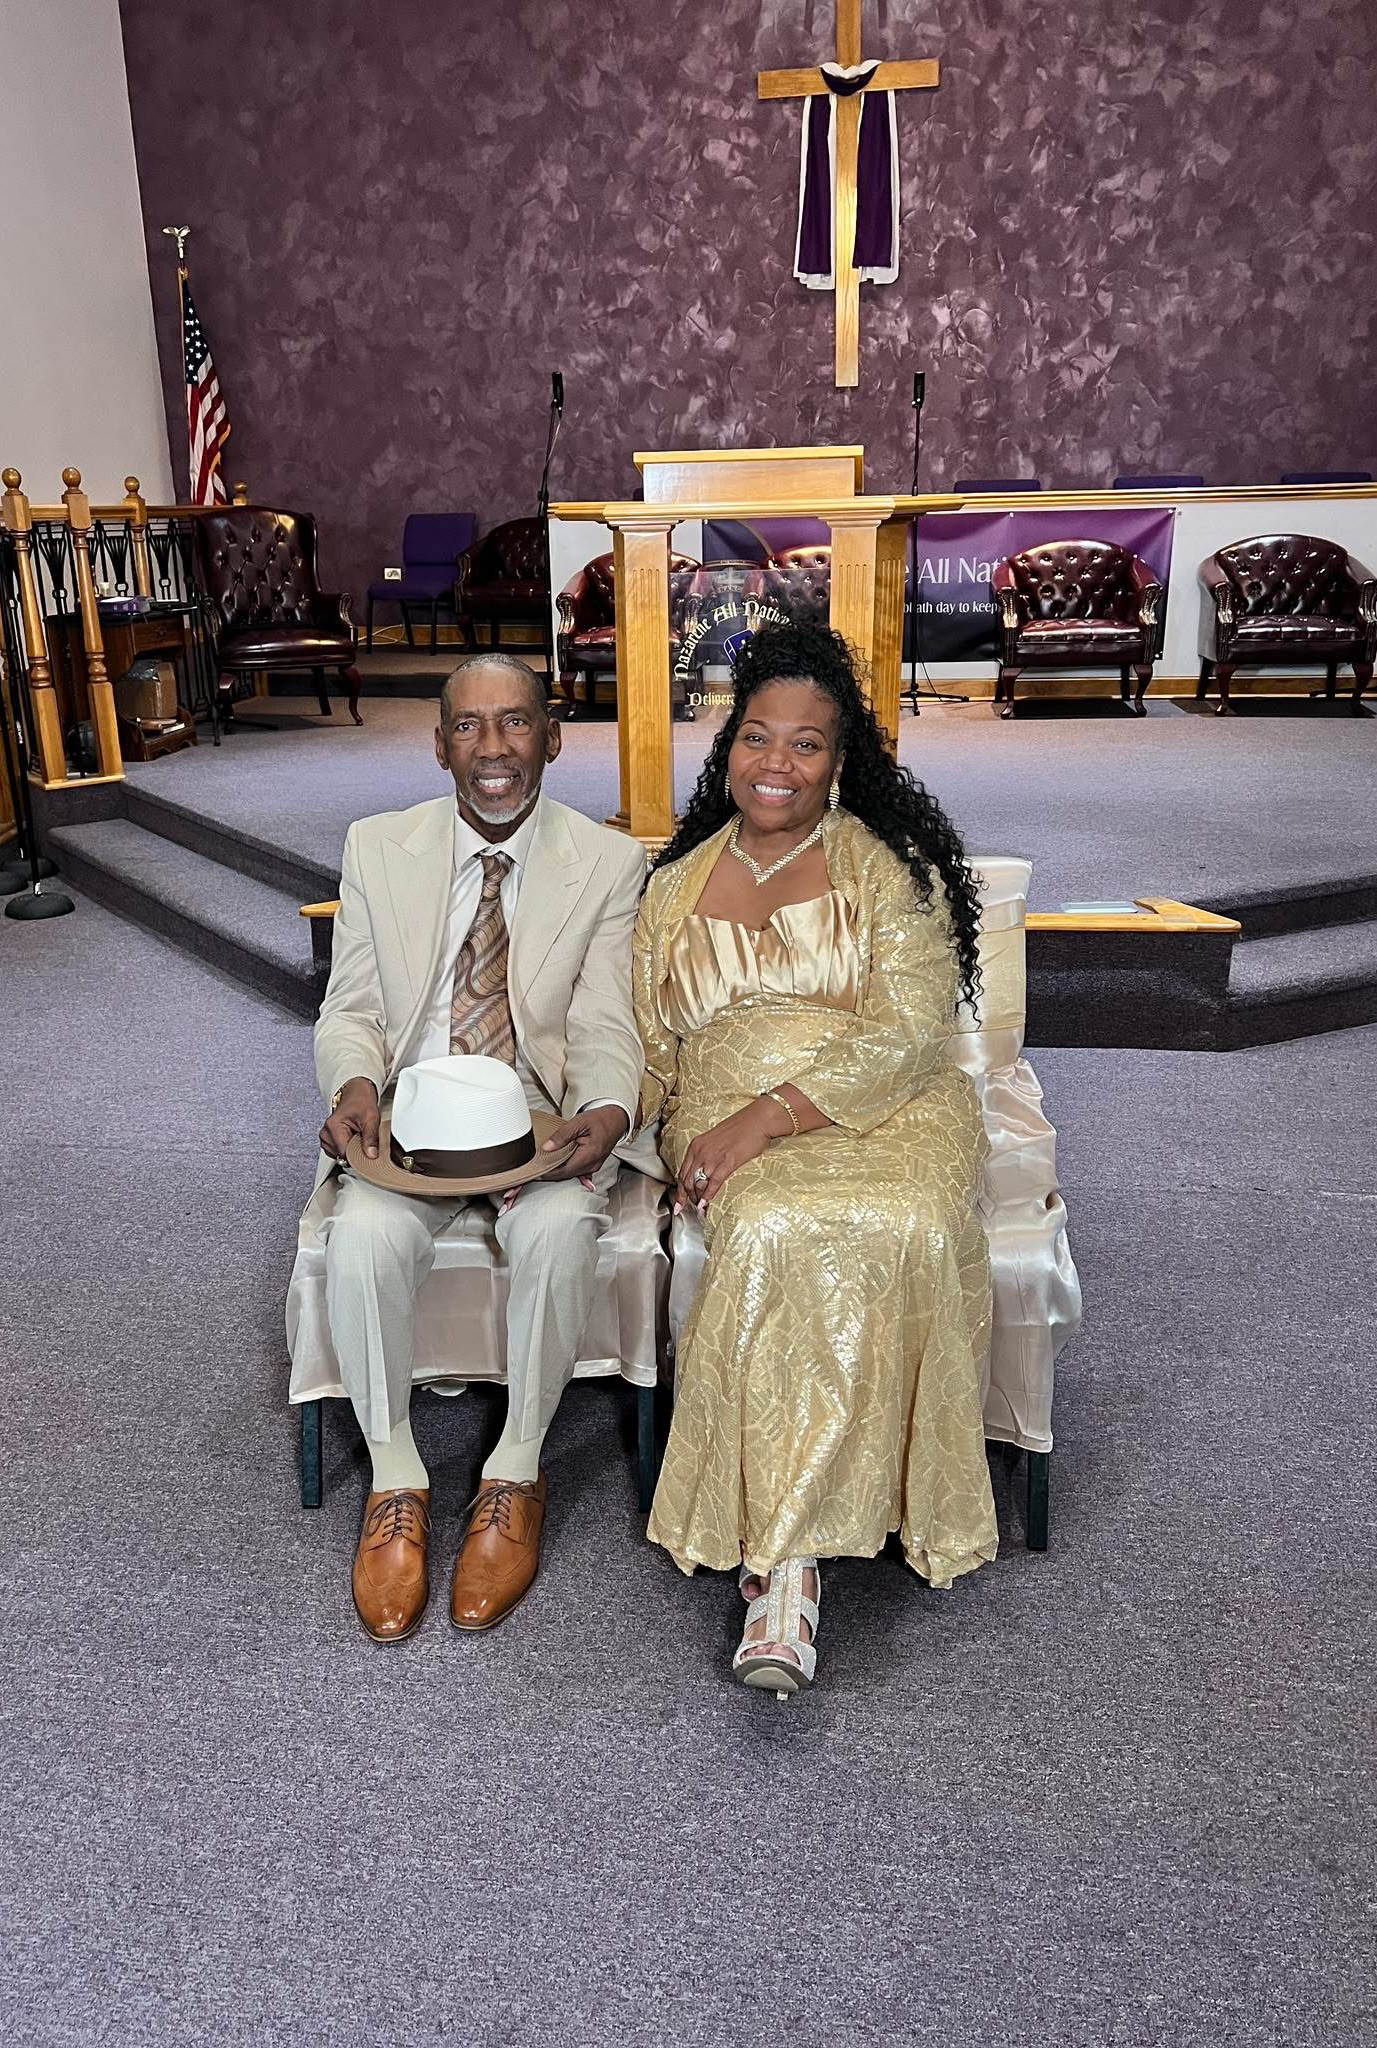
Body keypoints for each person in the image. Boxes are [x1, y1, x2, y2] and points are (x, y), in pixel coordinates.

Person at [633, 622, 997, 1697]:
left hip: (887, 1106)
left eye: (806, 744)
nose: (777, 764)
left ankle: (820, 1539)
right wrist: (613, 1129)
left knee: (912, 1222)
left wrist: (772, 1116)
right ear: (728, 746)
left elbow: (913, 1031)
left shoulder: (888, 871)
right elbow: (650, 1047)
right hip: (720, 1108)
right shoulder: (674, 886)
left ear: (841, 762)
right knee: (767, 1225)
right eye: (757, 736)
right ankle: (784, 1569)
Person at [306, 652, 645, 1642]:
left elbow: (605, 1022)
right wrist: (354, 1084)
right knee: (363, 1237)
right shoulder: (378, 847)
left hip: (536, 1117)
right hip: (410, 1117)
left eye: (515, 723)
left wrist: (607, 1111)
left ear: (553, 736)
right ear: (440, 743)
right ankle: (396, 1477)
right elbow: (351, 1008)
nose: (493, 748)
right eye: (469, 726)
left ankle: (516, 1470)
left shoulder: (608, 863)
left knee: (559, 1230)